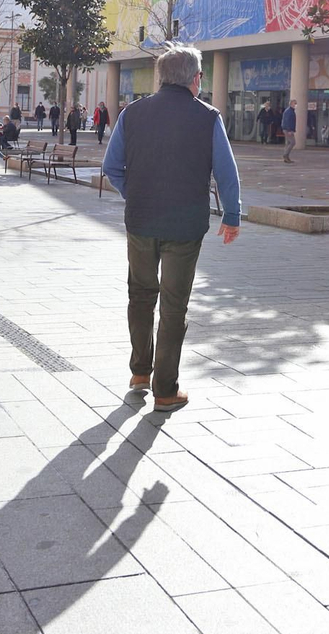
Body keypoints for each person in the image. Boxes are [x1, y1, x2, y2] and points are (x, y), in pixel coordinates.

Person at [101, 43, 241, 414]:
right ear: (196, 79)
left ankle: (139, 373)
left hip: (141, 221)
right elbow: (226, 174)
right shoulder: (208, 118)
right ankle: (166, 390)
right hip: (185, 225)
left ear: (161, 77)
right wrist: (232, 216)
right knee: (173, 306)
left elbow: (111, 167)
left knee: (141, 295)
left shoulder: (132, 114)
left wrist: (137, 193)